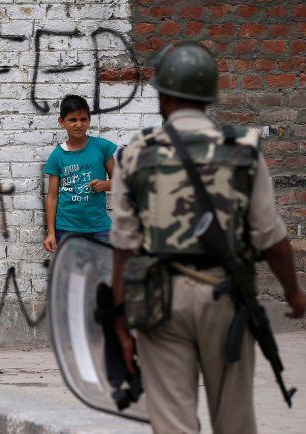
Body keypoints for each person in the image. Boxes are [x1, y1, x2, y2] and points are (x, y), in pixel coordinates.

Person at [110, 42, 306, 434]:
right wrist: (293, 293)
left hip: (158, 299)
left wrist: (119, 319)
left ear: (164, 97)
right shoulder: (243, 150)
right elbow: (271, 236)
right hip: (227, 297)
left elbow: (124, 246)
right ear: (208, 96)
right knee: (234, 421)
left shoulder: (136, 154)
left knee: (172, 422)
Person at [43, 94, 117, 252]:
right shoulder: (57, 156)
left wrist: (105, 185)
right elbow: (52, 196)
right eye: (72, 120)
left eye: (83, 119)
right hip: (67, 228)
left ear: (89, 121)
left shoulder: (102, 148)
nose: (78, 124)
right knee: (72, 275)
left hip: (99, 227)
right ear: (62, 122)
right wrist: (51, 232)